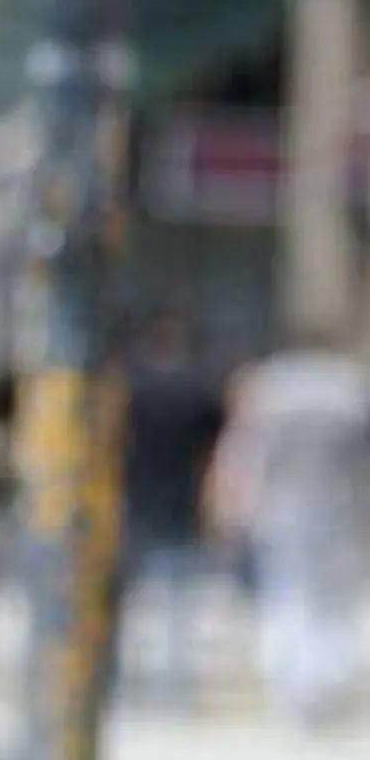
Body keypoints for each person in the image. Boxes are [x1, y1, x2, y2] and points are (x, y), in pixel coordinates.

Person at [207, 325, 369, 728]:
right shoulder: (349, 389)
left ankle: (296, 687)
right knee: (332, 600)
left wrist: (231, 507)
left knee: (288, 594)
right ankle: (327, 683)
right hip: (338, 509)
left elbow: (244, 454)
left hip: (280, 510)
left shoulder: (270, 388)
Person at [108, 311, 226, 707]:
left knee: (124, 599)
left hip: (135, 500)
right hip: (181, 501)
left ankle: (118, 680)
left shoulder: (132, 391)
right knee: (178, 603)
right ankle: (175, 690)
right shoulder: (198, 392)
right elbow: (214, 452)